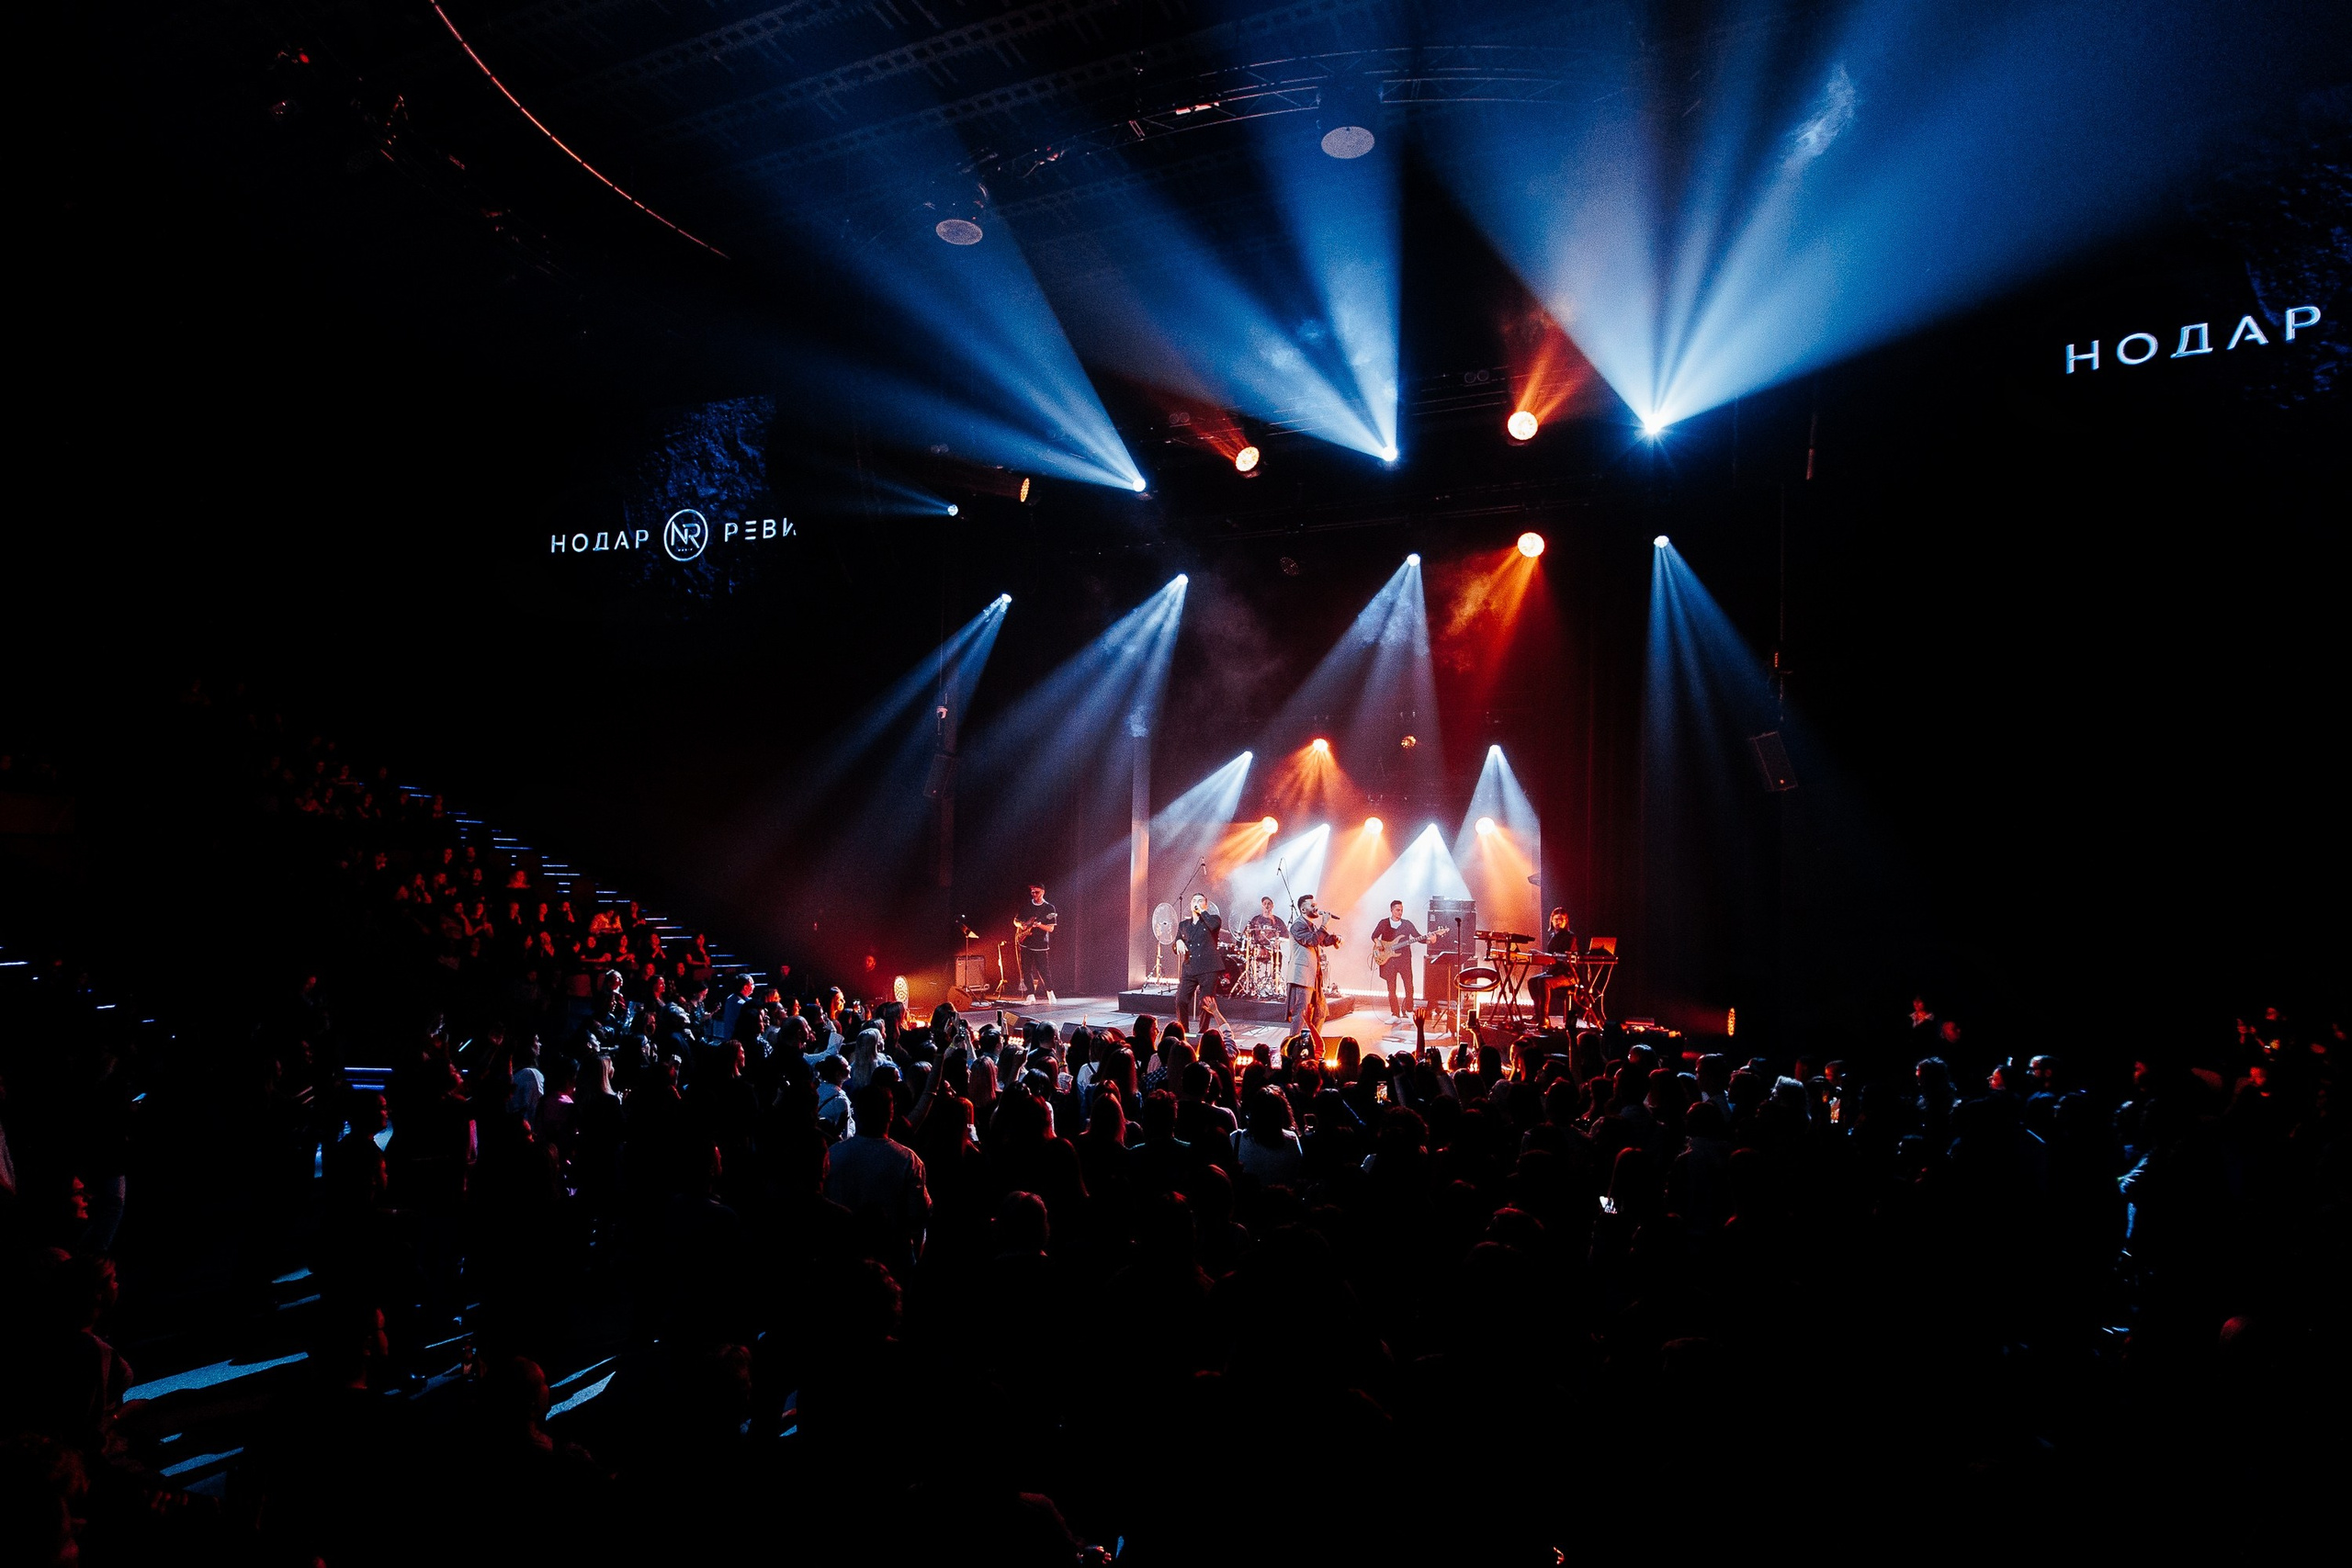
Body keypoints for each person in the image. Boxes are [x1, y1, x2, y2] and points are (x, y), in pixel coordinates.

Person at [1283, 893, 1341, 1043]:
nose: (1316, 908)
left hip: (1314, 976)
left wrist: (1334, 939)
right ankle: (1292, 1046)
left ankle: (1313, 1044)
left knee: (1321, 1012)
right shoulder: (1297, 925)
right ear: (1303, 909)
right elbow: (1312, 940)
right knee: (1301, 1013)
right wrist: (1324, 925)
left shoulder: (1310, 925)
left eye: (1316, 905)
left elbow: (1322, 940)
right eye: (1312, 906)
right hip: (1301, 976)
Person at [1172, 893, 1223, 1032]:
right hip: (1189, 967)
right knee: (1181, 1000)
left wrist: (1202, 911)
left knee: (1205, 1003)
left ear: (1206, 904)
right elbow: (1176, 942)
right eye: (1194, 900)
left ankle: (1202, 1033)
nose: (1197, 902)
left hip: (1208, 968)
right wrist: (1178, 942)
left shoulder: (1213, 919)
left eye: (1200, 901)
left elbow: (1213, 927)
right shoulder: (1183, 925)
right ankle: (1184, 1031)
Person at [1368, 898, 1423, 1020]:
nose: (1400, 912)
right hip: (1389, 961)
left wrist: (1429, 939)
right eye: (1398, 910)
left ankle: (1409, 1010)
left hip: (1404, 960)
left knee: (1409, 985)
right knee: (1391, 988)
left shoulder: (1407, 924)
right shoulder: (1383, 923)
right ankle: (1395, 1013)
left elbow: (1418, 937)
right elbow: (1374, 936)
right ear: (1391, 910)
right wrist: (1377, 943)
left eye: (1402, 910)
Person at [1017, 884, 1058, 1002]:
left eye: (1037, 892)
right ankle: (1030, 994)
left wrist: (1039, 925)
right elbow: (1016, 920)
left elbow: (1050, 929)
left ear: (1043, 892)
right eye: (1033, 892)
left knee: (1043, 969)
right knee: (1026, 969)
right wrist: (1022, 925)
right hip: (1026, 942)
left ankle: (1050, 992)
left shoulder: (1049, 908)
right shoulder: (1026, 906)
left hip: (1040, 944)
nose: (1034, 895)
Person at [1536, 906, 1576, 1023]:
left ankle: (1544, 1019)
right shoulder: (1552, 935)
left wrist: (1553, 957)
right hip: (1554, 972)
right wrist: (1538, 954)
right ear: (1551, 920)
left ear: (1566, 921)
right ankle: (1538, 1015)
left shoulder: (1570, 937)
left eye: (1561, 920)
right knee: (1532, 981)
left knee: (1544, 982)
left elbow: (1568, 958)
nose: (1558, 922)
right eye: (1556, 920)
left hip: (1567, 975)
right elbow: (1550, 955)